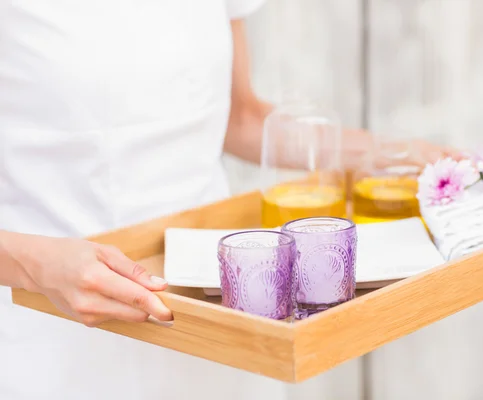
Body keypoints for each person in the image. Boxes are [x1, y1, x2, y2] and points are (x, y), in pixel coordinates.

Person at [0, 1, 459, 399]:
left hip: (219, 316)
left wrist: (398, 155)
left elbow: (241, 119)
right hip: (54, 333)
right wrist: (32, 265)